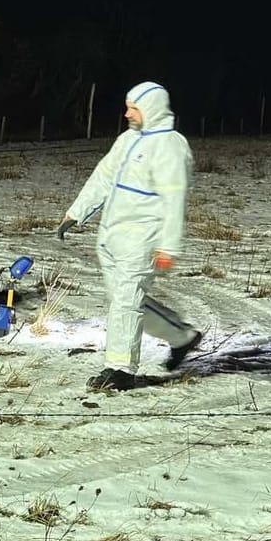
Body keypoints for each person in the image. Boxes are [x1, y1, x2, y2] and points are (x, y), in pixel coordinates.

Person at [59, 80, 203, 390]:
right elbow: (104, 175)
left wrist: (168, 247)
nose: (126, 114)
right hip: (112, 237)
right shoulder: (128, 140)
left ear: (150, 109)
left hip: (142, 241)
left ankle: (120, 369)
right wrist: (76, 212)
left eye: (133, 108)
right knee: (125, 301)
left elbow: (174, 200)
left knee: (125, 303)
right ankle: (182, 337)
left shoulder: (170, 146)